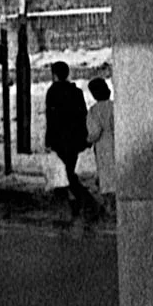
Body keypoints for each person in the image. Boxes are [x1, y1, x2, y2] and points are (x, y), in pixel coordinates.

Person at [43, 58, 99, 221]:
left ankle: (84, 204)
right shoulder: (76, 92)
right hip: (74, 140)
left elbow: (51, 119)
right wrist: (84, 138)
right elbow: (83, 116)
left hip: (59, 141)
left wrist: (49, 140)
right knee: (68, 172)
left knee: (64, 175)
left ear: (55, 75)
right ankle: (80, 205)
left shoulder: (52, 93)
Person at [86, 73, 115, 207]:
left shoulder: (94, 111)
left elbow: (94, 132)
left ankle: (108, 203)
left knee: (105, 173)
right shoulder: (115, 107)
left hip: (102, 145)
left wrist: (88, 140)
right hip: (116, 142)